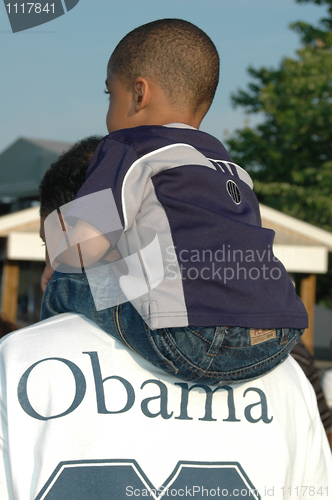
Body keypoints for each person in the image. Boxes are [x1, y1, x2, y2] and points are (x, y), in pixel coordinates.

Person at [41, 19, 308, 386]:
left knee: (66, 279)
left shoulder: (128, 147)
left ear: (139, 94)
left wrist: (55, 243)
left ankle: (48, 366)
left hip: (195, 337)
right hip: (277, 336)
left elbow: (84, 247)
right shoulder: (231, 169)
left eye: (110, 94)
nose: (108, 110)